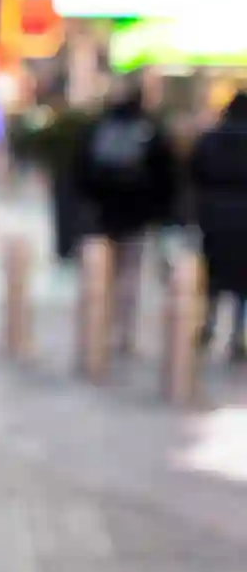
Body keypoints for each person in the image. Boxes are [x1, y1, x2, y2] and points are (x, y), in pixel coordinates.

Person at [72, 77, 178, 353]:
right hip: (136, 214)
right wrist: (161, 211)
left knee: (101, 271)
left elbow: (81, 168)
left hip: (104, 212)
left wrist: (88, 201)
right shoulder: (149, 130)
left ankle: (99, 326)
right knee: (129, 273)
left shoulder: (100, 128)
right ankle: (123, 331)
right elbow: (165, 175)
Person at [190, 91, 247, 361]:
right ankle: (238, 335)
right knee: (243, 281)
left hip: (214, 215)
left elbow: (195, 172)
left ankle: (208, 325)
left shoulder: (212, 138)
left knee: (214, 275)